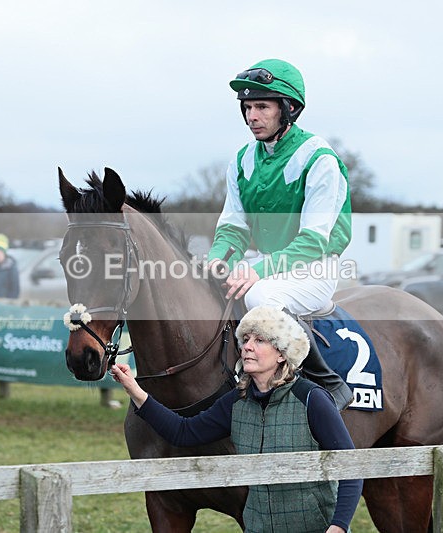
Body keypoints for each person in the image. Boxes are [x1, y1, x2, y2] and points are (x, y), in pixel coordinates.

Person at [111, 305, 363, 533]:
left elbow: (349, 467)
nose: (247, 347)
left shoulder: (312, 399)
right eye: (245, 339)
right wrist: (135, 391)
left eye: (260, 340)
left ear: (282, 354)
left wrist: (338, 527)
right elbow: (183, 432)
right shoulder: (237, 401)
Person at [206, 59, 354, 410]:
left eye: (261, 107)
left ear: (288, 109)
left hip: (314, 268)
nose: (251, 117)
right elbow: (233, 227)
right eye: (247, 107)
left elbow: (314, 241)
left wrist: (256, 270)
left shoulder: (319, 159)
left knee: (258, 298)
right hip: (269, 265)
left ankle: (326, 383)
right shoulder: (242, 160)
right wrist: (216, 261)